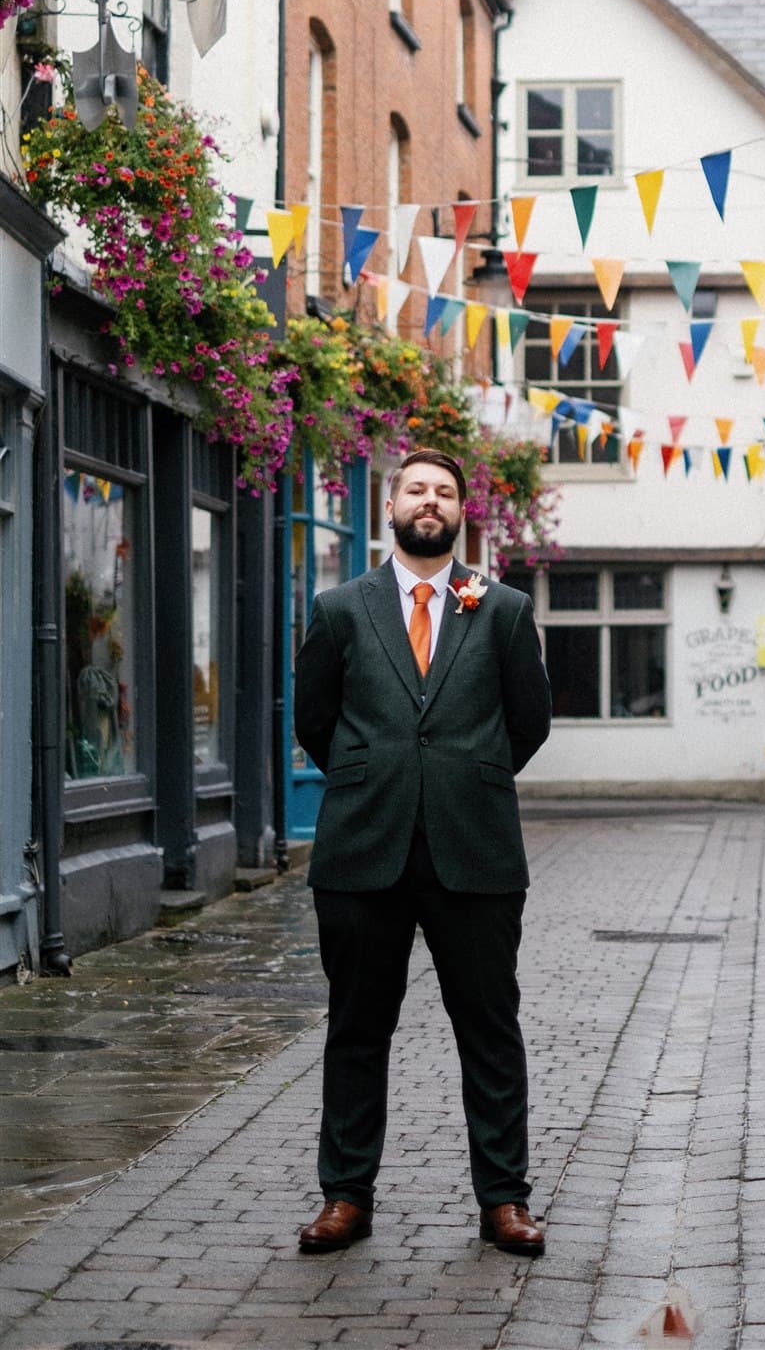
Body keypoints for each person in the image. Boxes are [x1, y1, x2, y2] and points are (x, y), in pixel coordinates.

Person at [292, 448, 552, 1258]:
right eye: (415, 489)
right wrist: (376, 776)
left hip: (473, 850)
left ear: (459, 511)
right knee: (357, 1029)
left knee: (489, 1029)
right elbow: (314, 719)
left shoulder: (500, 608)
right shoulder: (340, 608)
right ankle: (345, 1196)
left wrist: (465, 777)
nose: (428, 501)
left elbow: (529, 720)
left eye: (443, 491)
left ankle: (503, 1200)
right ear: (391, 507)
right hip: (362, 848)